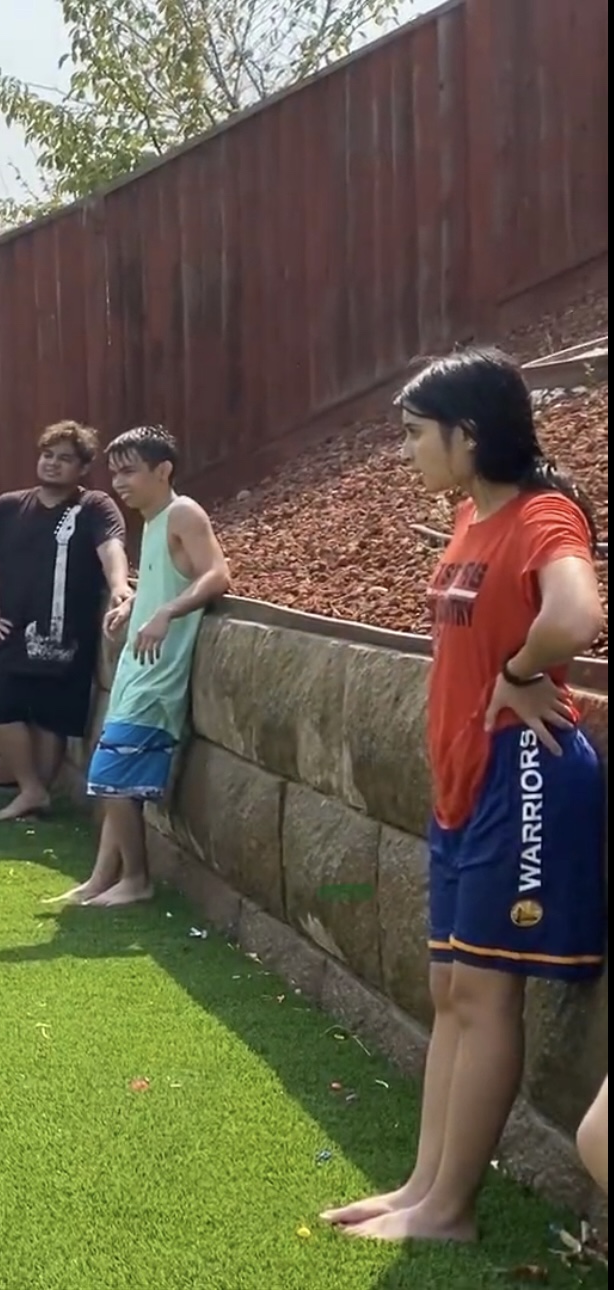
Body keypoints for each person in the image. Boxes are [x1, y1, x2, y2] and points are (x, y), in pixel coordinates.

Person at [322, 346, 606, 1244]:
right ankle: (421, 1187)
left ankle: (449, 1210)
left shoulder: (542, 514)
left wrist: (523, 668)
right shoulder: (468, 518)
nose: (405, 451)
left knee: (484, 998)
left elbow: (576, 616)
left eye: (416, 435)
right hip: (465, 785)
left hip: (523, 775)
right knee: (451, 990)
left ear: (470, 433)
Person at [54, 426, 231, 907]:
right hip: (136, 670)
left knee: (112, 778)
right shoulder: (153, 521)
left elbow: (217, 574)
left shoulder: (183, 512)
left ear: (163, 470)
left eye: (129, 471)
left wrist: (166, 613)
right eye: (114, 472)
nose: (119, 482)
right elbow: (168, 580)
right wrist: (133, 604)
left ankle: (136, 879)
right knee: (111, 780)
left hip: (157, 679)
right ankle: (101, 879)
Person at [0, 421, 132, 822]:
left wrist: (120, 585)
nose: (52, 464)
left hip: (69, 635)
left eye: (65, 459)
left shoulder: (95, 506)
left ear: (83, 468)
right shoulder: (7, 507)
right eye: (47, 455)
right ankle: (32, 790)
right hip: (12, 629)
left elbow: (111, 547)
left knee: (53, 717)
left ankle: (38, 796)